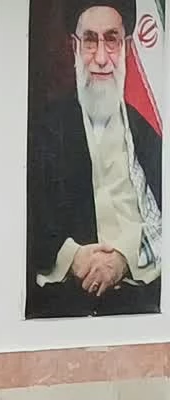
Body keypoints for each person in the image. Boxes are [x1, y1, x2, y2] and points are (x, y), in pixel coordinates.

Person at [26, 0, 162, 318]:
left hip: (142, 307)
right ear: (74, 47)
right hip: (61, 310)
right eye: (90, 41)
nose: (101, 58)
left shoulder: (147, 133)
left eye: (111, 40)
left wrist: (124, 258)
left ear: (126, 48)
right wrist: (74, 258)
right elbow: (25, 222)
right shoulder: (42, 130)